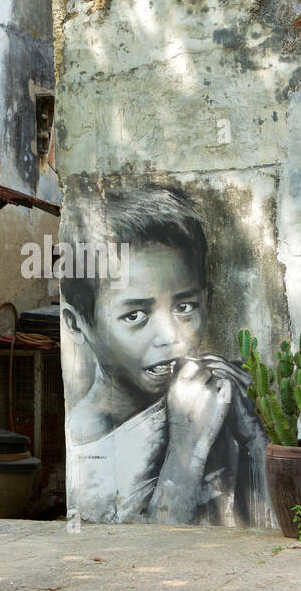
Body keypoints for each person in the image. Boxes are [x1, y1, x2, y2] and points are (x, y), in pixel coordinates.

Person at [59, 185, 271, 527]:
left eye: (185, 307)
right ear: (77, 324)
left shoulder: (219, 394)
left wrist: (256, 437)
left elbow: (273, 525)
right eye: (135, 316)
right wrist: (187, 447)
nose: (171, 337)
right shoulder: (88, 443)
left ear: (208, 301)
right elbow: (146, 553)